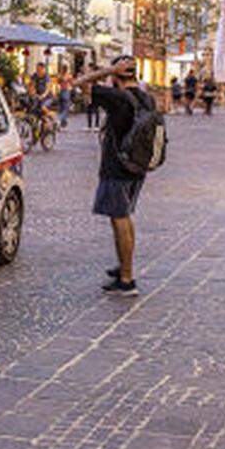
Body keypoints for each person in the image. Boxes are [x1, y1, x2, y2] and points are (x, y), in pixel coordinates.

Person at [73, 56, 150, 297]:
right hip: (137, 166)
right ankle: (123, 267)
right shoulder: (146, 97)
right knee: (124, 217)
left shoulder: (117, 97)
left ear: (117, 74)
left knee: (119, 218)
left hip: (117, 166)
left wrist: (107, 70)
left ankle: (127, 279)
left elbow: (80, 82)